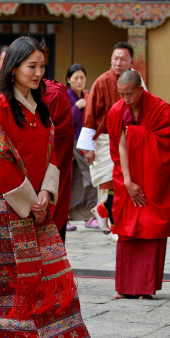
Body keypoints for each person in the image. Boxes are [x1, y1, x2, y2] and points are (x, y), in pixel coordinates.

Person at [0, 35, 102, 338]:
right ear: (13, 67)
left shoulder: (42, 107)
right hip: (6, 212)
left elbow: (53, 154)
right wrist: (28, 199)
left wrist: (46, 194)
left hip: (39, 212)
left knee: (57, 285)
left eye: (42, 66)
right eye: (31, 66)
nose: (38, 73)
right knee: (0, 293)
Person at [107, 70, 170, 299]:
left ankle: (145, 289)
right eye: (121, 94)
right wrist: (128, 182)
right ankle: (125, 287)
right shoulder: (117, 111)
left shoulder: (161, 109)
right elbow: (119, 147)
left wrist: (137, 134)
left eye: (129, 94)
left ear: (141, 89)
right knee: (127, 231)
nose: (125, 99)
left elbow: (169, 143)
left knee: (150, 231)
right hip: (127, 178)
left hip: (153, 180)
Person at [77, 42, 138, 237]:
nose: (118, 63)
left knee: (124, 181)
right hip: (105, 140)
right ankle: (112, 223)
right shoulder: (102, 82)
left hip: (130, 139)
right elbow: (89, 114)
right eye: (115, 59)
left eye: (123, 59)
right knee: (108, 181)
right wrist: (88, 147)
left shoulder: (137, 81)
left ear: (131, 62)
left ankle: (104, 213)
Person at [43, 74, 74, 241]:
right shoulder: (3, 98)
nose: (36, 72)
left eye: (39, 66)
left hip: (47, 172)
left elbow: (59, 141)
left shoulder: (54, 94)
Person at [66, 64, 98, 229]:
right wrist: (77, 107)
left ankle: (89, 216)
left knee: (85, 178)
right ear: (68, 79)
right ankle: (66, 217)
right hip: (72, 142)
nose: (79, 81)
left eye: (82, 78)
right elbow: (67, 121)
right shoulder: (66, 96)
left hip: (85, 141)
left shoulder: (87, 96)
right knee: (78, 178)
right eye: (76, 77)